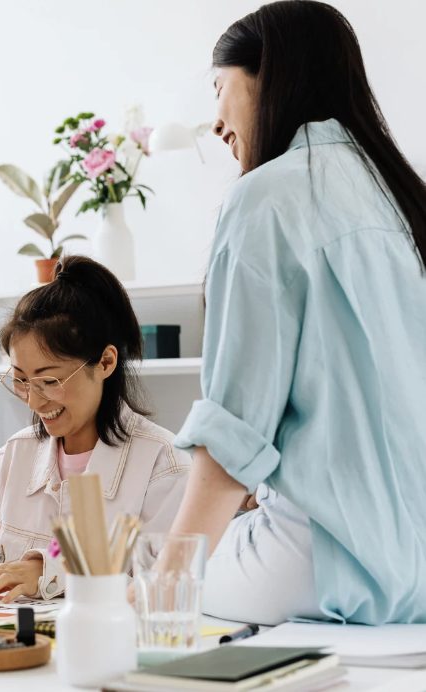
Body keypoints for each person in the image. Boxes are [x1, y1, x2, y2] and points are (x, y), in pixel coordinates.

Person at [163, 0, 426, 625]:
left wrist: (165, 580)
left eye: (221, 88)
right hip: (416, 559)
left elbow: (233, 430)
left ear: (268, 75)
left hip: (332, 563)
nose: (217, 124)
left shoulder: (265, 199)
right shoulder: (403, 201)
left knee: (162, 593)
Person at [0, 255, 190, 603]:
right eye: (21, 381)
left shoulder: (163, 464)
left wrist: (53, 572)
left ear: (106, 362)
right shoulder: (12, 457)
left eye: (49, 381)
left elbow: (163, 588)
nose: (34, 403)